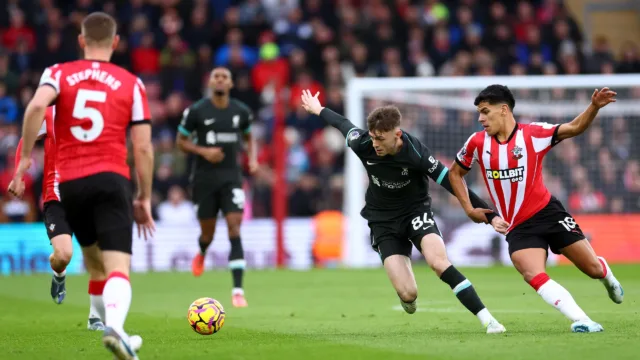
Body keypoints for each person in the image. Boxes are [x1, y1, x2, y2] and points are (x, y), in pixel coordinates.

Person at [300, 90, 507, 334]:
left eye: (380, 139)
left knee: (439, 263)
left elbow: (452, 182)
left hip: (415, 212)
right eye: (373, 137)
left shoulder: (416, 153)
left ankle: (488, 320)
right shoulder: (363, 143)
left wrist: (489, 215)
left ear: (397, 135)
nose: (375, 144)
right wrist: (318, 108)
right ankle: (406, 295)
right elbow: (343, 124)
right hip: (382, 220)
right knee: (408, 294)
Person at [9, 12, 153, 359]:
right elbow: (143, 146)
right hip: (108, 179)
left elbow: (34, 107)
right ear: (116, 42)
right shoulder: (130, 82)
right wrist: (144, 196)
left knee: (95, 262)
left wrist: (25, 161)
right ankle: (115, 328)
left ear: (81, 41)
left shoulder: (58, 75)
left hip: (71, 184)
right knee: (109, 264)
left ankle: (102, 322)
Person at [449, 84, 623, 333]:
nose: (481, 118)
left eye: (485, 112)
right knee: (531, 272)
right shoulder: (477, 142)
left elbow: (574, 128)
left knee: (592, 268)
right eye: (479, 112)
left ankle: (605, 273)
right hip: (518, 226)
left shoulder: (534, 134)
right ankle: (582, 320)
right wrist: (469, 209)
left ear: (504, 109)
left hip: (548, 213)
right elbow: (456, 174)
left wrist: (593, 106)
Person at [10, 106, 105, 330]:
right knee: (63, 255)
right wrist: (19, 175)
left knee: (97, 257)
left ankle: (96, 317)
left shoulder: (98, 115)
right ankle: (58, 274)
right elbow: (27, 140)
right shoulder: (52, 113)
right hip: (57, 198)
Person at [176, 67, 258, 308]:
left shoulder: (241, 112)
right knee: (207, 234)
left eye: (225, 77)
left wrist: (252, 159)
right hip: (204, 179)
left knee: (234, 227)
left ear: (231, 84)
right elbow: (180, 142)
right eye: (216, 77)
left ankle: (238, 291)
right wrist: (204, 151)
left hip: (232, 178)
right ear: (210, 82)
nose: (220, 80)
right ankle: (202, 252)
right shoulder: (197, 111)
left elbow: (249, 137)